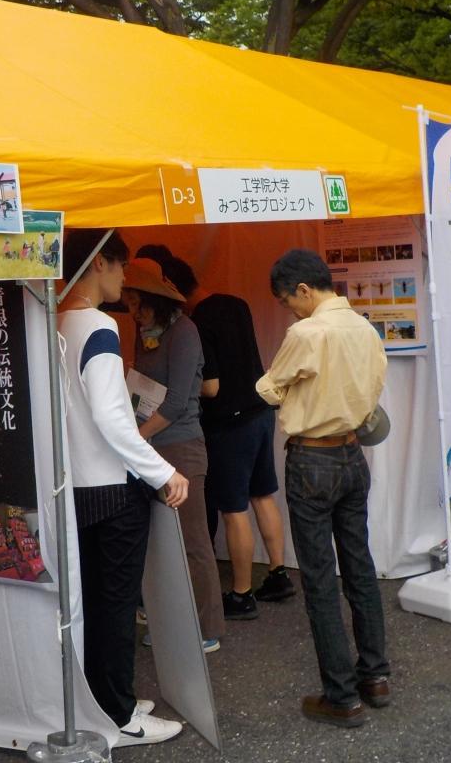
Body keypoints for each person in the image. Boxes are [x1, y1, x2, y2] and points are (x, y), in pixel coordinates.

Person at [57, 230, 188, 747]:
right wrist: (164, 472)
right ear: (98, 264)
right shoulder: (100, 326)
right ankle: (119, 714)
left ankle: (102, 700)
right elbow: (114, 419)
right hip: (114, 490)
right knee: (115, 606)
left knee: (93, 602)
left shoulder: (54, 322)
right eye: (120, 267)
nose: (124, 278)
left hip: (75, 487)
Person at [256, 250, 388, 728]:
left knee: (319, 579)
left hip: (311, 459)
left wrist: (296, 393)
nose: (289, 310)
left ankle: (342, 696)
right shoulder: (365, 328)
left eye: (287, 301)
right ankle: (375, 676)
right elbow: (373, 389)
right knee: (360, 567)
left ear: (304, 290)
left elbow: (268, 388)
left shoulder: (307, 333)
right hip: (353, 454)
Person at [136, 246, 292, 619]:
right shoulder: (236, 303)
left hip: (230, 424)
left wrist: (180, 383)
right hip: (260, 411)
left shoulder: (196, 323)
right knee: (263, 495)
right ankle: (278, 573)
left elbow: (211, 386)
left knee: (233, 509)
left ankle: (241, 593)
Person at [122, 258, 225, 651]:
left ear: (155, 299)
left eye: (137, 303)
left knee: (193, 543)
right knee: (159, 543)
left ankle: (206, 629)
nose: (133, 312)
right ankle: (169, 624)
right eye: (129, 303)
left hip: (180, 446)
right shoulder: (144, 330)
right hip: (149, 446)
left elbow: (178, 402)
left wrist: (134, 440)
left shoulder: (185, 331)